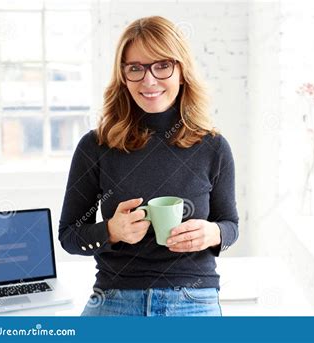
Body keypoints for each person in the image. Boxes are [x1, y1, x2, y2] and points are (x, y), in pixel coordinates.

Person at [58, 16, 239, 316]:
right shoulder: (96, 146)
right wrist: (111, 231)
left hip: (192, 300)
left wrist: (213, 234)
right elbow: (69, 235)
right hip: (114, 298)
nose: (149, 80)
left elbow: (230, 225)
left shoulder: (213, 147)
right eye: (135, 68)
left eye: (162, 65)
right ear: (123, 76)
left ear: (182, 72)